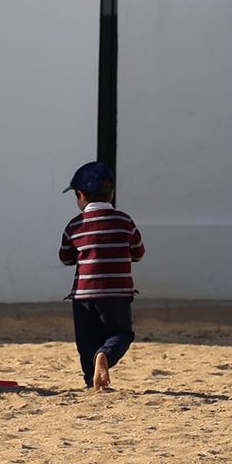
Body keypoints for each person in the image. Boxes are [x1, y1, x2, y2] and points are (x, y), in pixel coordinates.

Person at [58, 160, 145, 391]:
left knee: (86, 342)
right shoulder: (125, 221)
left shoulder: (75, 226)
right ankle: (105, 355)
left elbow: (65, 258)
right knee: (120, 333)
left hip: (83, 296)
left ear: (80, 195)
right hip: (117, 295)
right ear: (111, 193)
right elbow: (138, 252)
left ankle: (91, 380)